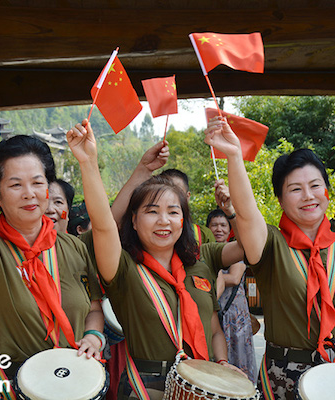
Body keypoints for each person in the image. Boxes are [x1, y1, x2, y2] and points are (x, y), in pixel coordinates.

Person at [204, 102, 335, 399]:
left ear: (327, 190)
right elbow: (246, 214)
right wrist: (234, 155)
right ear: (281, 200)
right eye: (295, 189)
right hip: (286, 377)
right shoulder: (270, 245)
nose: (308, 196)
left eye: (315, 185)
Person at [66, 120, 247, 400]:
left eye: (173, 212)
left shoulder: (203, 258)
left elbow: (252, 245)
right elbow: (103, 225)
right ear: (134, 221)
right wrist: (88, 162)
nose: (164, 221)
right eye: (152, 211)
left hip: (206, 384)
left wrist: (222, 365)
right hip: (147, 386)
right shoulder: (123, 267)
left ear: (184, 220)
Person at [0, 87, 104, 385]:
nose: (29, 194)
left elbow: (93, 307)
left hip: (74, 384)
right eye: (15, 185)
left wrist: (94, 335)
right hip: (11, 387)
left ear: (48, 189)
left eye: (37, 183)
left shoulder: (73, 248)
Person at [207, 206, 257, 384]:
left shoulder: (235, 250)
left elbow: (235, 278)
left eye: (223, 225)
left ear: (230, 230)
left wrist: (208, 279)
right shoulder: (204, 251)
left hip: (233, 313)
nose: (218, 229)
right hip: (214, 311)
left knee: (238, 356)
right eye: (214, 225)